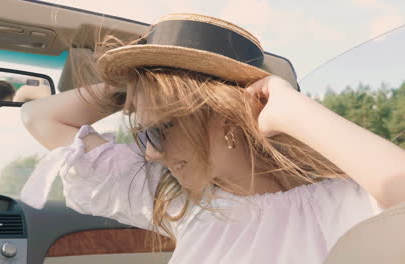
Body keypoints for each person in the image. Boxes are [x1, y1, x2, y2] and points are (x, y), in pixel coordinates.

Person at [20, 13, 405, 264]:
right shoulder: (177, 199)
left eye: (162, 129)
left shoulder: (338, 203)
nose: (152, 154)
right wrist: (137, 84)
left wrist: (292, 108)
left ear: (226, 117)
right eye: (143, 133)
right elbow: (40, 117)